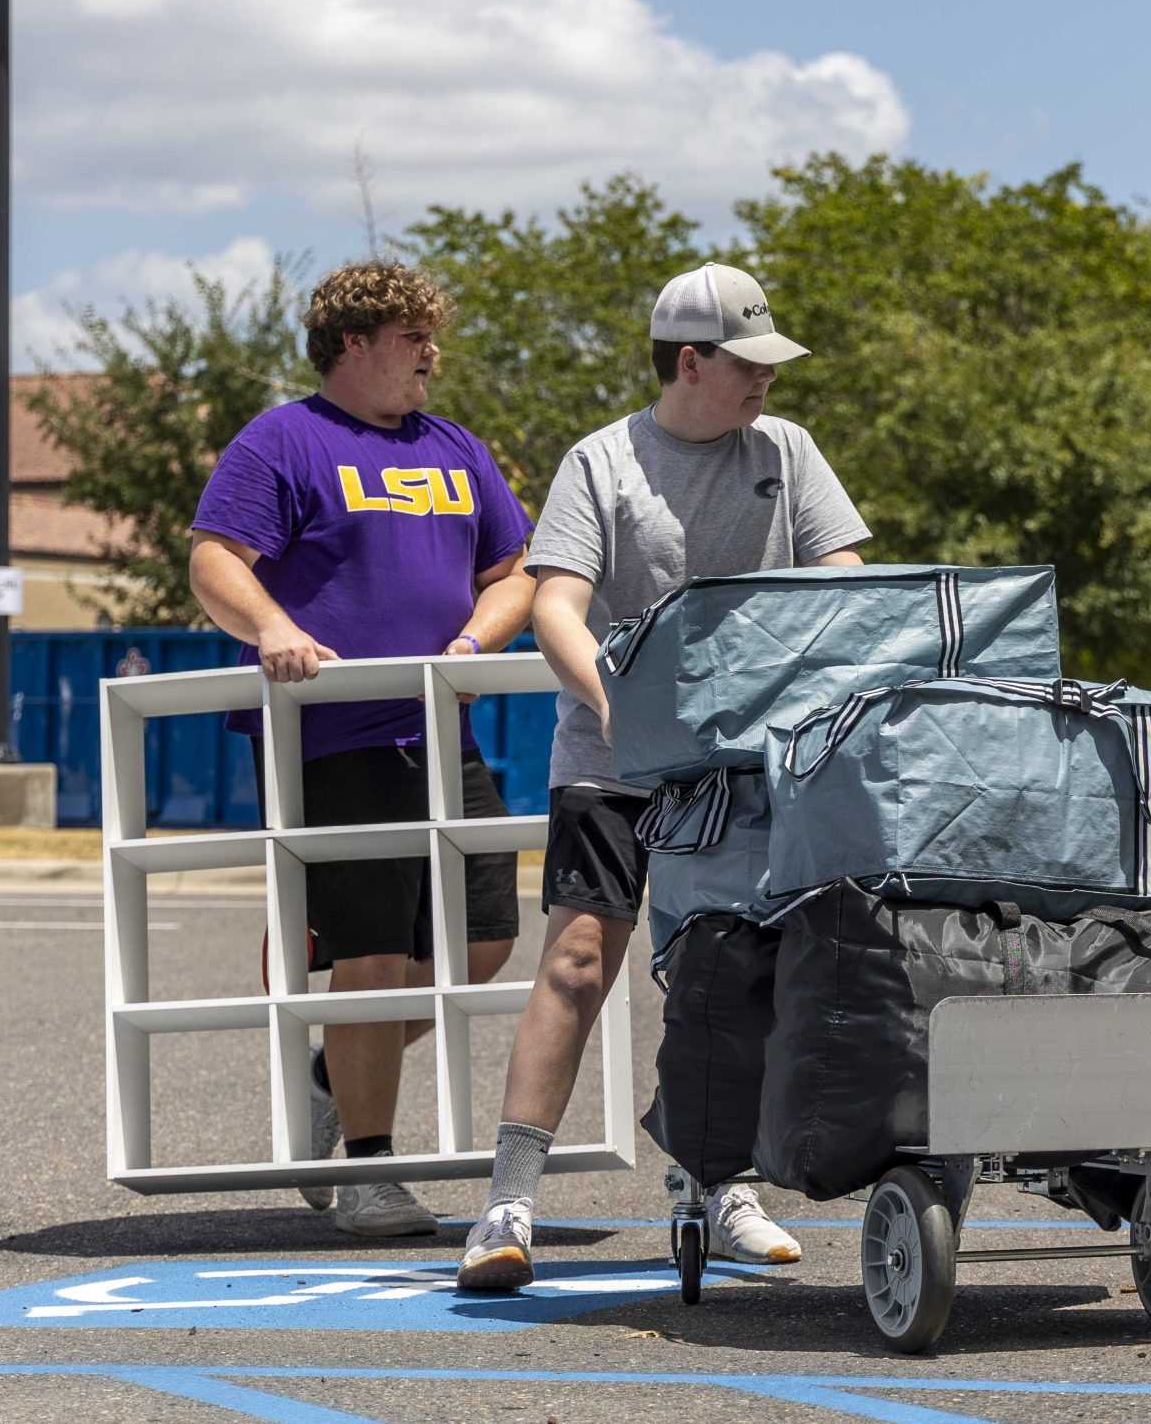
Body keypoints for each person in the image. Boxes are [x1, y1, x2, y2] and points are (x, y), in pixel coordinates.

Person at [456, 261, 870, 1291]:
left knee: (727, 973)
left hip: (744, 768)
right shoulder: (601, 462)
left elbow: (846, 583)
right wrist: (617, 710)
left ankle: (717, 1185)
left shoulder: (789, 452)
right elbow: (555, 603)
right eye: (748, 364)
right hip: (613, 760)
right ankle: (507, 1205)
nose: (766, 381)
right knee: (578, 963)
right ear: (690, 362)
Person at [190, 260, 538, 1238]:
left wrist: (474, 640)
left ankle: (325, 1071)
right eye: (410, 336)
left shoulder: (454, 448)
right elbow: (215, 558)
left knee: (482, 943)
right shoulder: (284, 440)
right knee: (374, 956)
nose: (431, 353)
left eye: (432, 335)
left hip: (438, 727)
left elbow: (511, 570)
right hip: (331, 735)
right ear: (352, 344)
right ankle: (368, 1174)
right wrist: (267, 625)